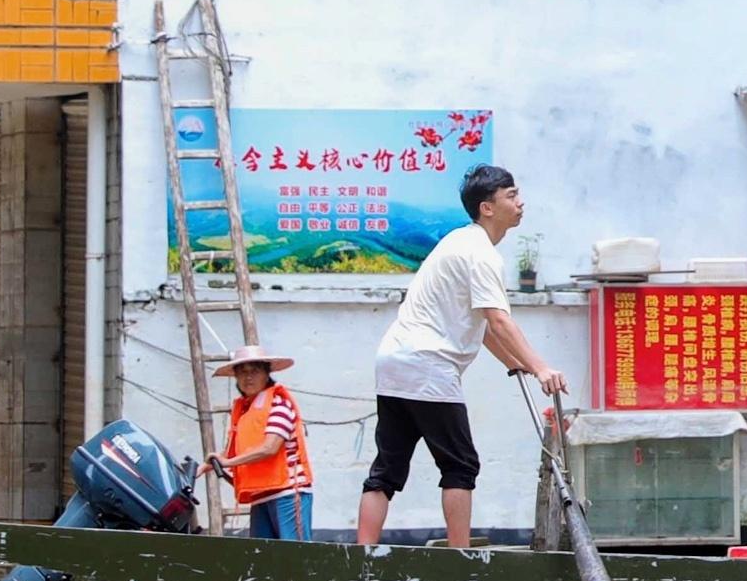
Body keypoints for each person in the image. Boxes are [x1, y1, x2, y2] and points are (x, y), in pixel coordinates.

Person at [356, 165, 569, 550]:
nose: (520, 203)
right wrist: (540, 368)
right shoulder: (480, 254)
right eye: (511, 196)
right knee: (460, 465)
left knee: (386, 471)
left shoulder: (457, 242)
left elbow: (482, 327)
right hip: (429, 366)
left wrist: (513, 362)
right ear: (487, 207)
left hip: (393, 360)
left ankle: (362, 554)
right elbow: (498, 320)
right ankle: (460, 557)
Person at [205, 348, 312, 540]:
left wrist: (227, 463)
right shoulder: (244, 411)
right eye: (242, 372)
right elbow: (235, 454)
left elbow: (269, 448)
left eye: (254, 371)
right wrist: (211, 465)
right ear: (236, 377)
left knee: (295, 556)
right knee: (263, 558)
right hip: (261, 495)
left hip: (287, 493)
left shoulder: (279, 405)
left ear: (266, 374)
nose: (248, 377)